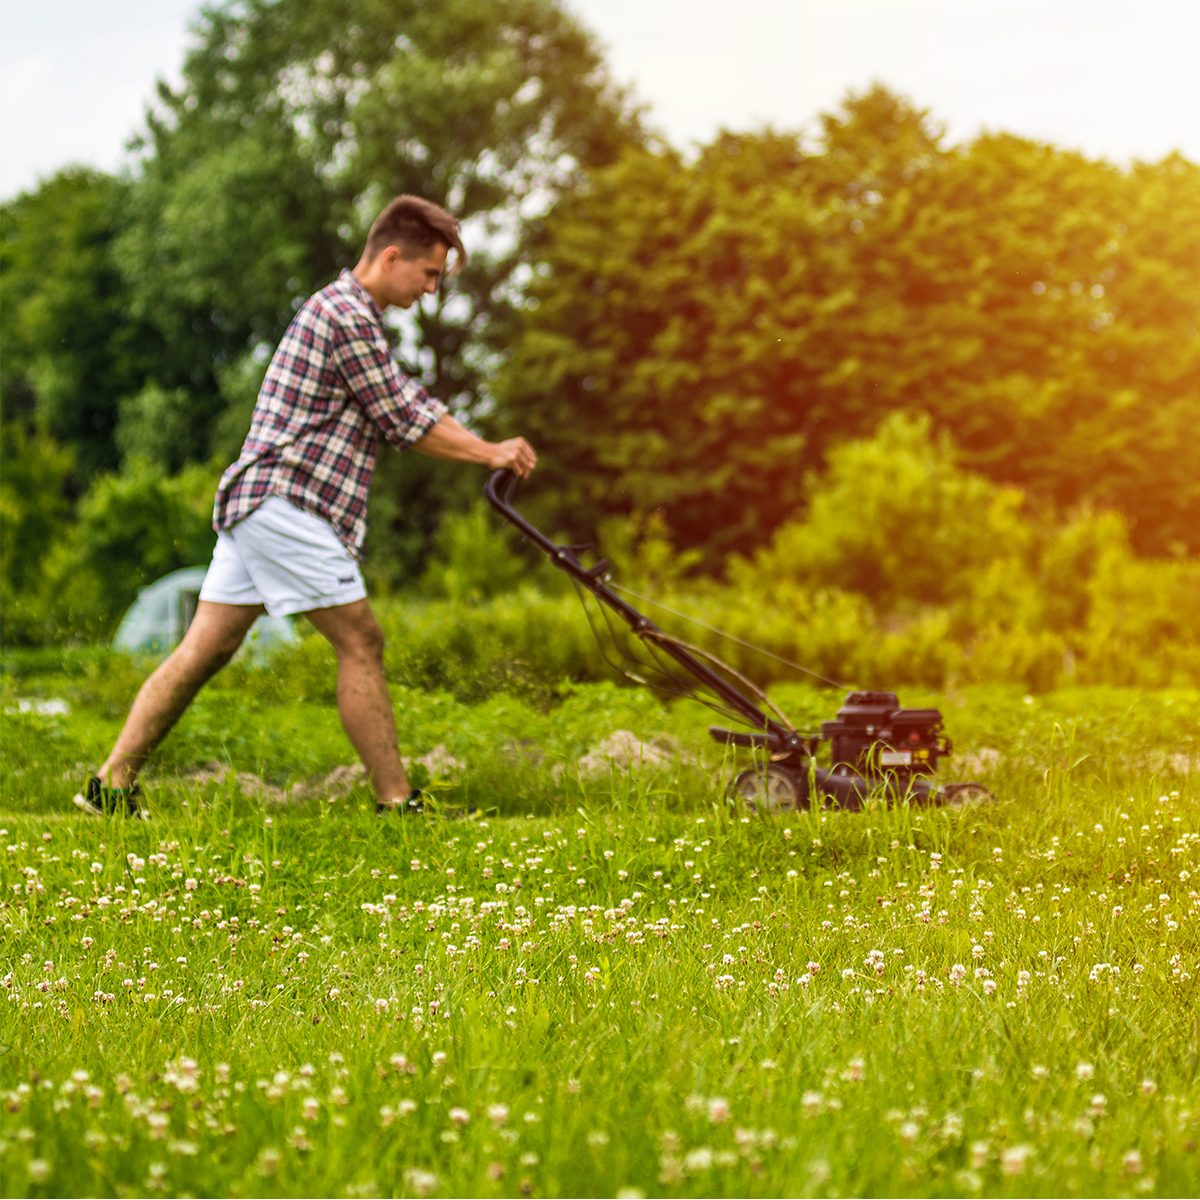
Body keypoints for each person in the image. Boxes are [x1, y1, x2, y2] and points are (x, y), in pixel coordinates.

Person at [73, 195, 536, 818]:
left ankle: (110, 786)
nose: (431, 289)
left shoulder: (352, 316)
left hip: (262, 505)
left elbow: (412, 400)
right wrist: (490, 452)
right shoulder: (345, 315)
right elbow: (402, 418)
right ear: (391, 256)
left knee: (204, 651)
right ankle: (397, 802)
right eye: (428, 273)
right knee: (362, 639)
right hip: (285, 505)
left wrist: (482, 444)